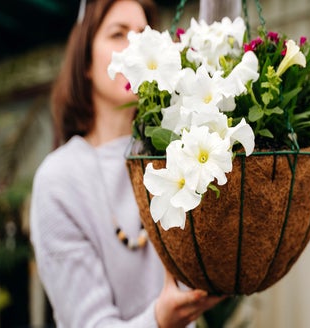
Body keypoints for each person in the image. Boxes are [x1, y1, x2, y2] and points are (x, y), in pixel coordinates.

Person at [30, 0, 224, 327]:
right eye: (118, 34)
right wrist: (160, 319)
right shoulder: (59, 179)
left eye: (143, 34)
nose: (135, 47)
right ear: (86, 62)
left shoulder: (178, 151)